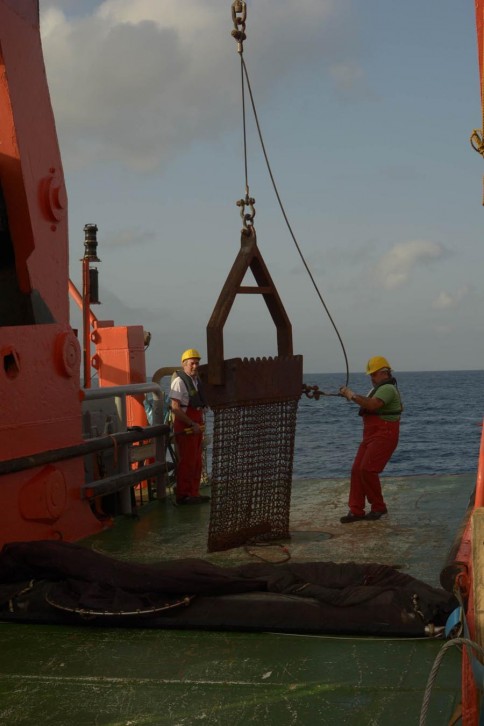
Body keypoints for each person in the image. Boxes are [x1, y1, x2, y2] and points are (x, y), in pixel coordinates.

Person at [338, 356, 403, 524]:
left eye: (373, 375)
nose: (371, 378)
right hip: (371, 435)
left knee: (367, 469)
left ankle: (379, 507)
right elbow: (367, 403)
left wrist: (351, 394)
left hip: (384, 434)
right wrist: (351, 396)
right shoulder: (378, 389)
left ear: (384, 373)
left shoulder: (387, 389)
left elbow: (372, 405)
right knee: (357, 470)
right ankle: (356, 510)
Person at [170, 348, 210, 505]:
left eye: (197, 363)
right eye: (192, 363)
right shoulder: (179, 382)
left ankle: (194, 493)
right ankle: (183, 495)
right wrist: (191, 423)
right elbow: (175, 407)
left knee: (197, 462)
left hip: (196, 427)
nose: (195, 366)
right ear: (184, 364)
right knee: (187, 462)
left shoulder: (196, 381)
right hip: (186, 427)